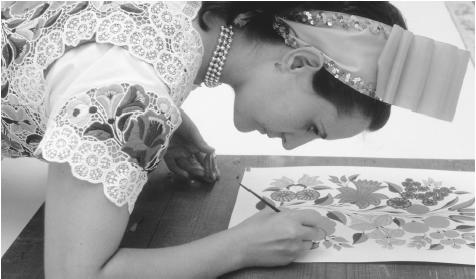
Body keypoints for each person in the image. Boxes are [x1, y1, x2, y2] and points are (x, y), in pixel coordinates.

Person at [1, 1, 469, 278]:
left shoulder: (181, 17)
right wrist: (238, 247)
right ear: (300, 62)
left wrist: (173, 126)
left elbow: (91, 57)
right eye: (312, 126)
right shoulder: (134, 97)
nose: (290, 147)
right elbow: (74, 274)